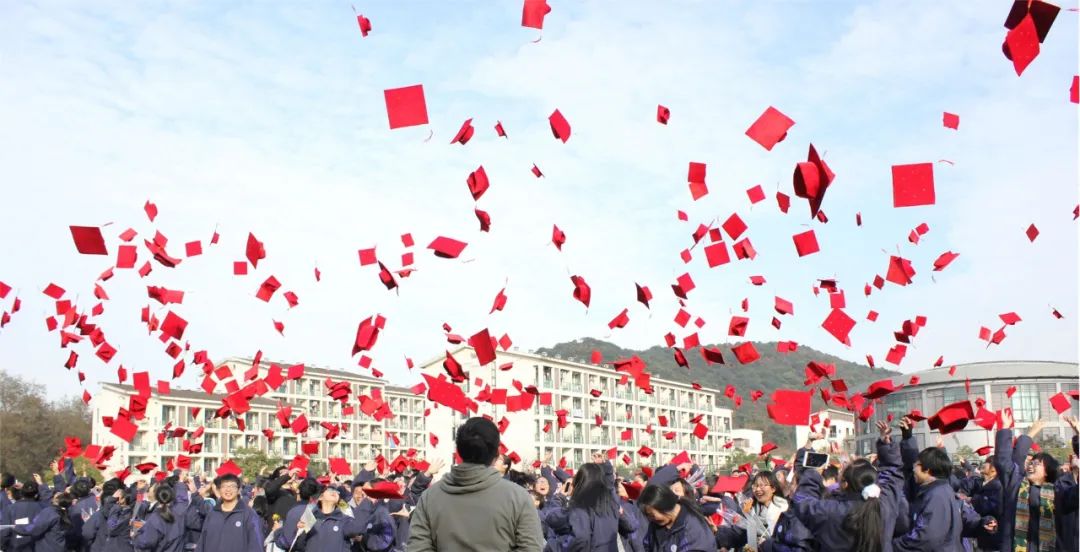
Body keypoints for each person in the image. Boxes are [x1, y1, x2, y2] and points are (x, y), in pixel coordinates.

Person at [407, 417, 544, 551]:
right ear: (496, 454)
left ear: (459, 450)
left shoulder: (430, 497)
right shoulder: (518, 498)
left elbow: (417, 547)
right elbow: (531, 547)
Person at [791, 421, 903, 552]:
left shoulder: (833, 511)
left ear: (845, 484)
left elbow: (802, 502)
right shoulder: (886, 502)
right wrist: (886, 444)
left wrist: (812, 472)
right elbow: (893, 471)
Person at [995, 412, 1078, 552]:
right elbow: (1004, 462)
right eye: (1031, 462)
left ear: (1047, 471)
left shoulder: (1060, 491)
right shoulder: (1016, 486)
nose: (1031, 465)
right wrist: (1007, 429)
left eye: (1037, 463)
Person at [544, 462, 636, 551]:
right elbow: (632, 525)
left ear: (580, 482)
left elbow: (579, 538)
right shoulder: (611, 505)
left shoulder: (581, 508)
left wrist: (553, 546)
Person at [191, 473, 264, 552]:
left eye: (232, 486)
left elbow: (256, 545)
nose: (228, 489)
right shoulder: (213, 513)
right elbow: (202, 541)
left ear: (239, 490)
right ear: (219, 490)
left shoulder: (249, 514)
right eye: (224, 486)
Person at [636, 483, 715, 551]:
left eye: (652, 515)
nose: (650, 519)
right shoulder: (656, 524)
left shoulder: (693, 529)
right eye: (648, 516)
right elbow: (648, 545)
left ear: (664, 506)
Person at [292, 485, 364, 552]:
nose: (334, 492)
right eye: (329, 490)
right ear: (320, 497)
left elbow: (355, 525)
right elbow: (298, 544)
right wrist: (301, 531)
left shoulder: (345, 516)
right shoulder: (310, 515)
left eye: (336, 491)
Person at [132, 485, 185, 552]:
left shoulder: (156, 517)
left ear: (156, 496)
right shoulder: (179, 515)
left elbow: (145, 542)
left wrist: (136, 536)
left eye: (149, 491)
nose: (148, 493)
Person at [968, 460, 1003, 551]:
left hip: (992, 533)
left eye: (987, 462)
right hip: (983, 533)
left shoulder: (997, 485)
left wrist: (972, 500)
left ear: (993, 469)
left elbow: (990, 506)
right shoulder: (981, 481)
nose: (984, 464)